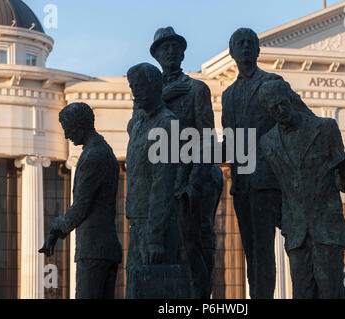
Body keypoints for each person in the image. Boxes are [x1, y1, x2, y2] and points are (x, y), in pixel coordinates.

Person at [221, 28, 314, 299]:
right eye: (240, 43)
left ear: (258, 51)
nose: (246, 47)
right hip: (242, 182)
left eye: (251, 43)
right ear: (232, 51)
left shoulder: (273, 82)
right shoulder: (228, 95)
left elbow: (304, 119)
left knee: (265, 250)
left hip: (268, 179)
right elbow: (230, 141)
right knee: (251, 252)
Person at [259, 80, 345, 299]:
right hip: (296, 234)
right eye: (274, 108)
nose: (280, 110)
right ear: (268, 111)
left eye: (283, 104)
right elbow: (274, 189)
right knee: (302, 293)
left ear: (290, 100)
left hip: (326, 230)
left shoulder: (325, 128)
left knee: (331, 293)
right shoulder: (267, 143)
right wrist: (284, 221)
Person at [150, 26, 223, 298]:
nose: (170, 52)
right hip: (161, 180)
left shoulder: (196, 89)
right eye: (164, 48)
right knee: (163, 249)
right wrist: (163, 97)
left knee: (195, 247)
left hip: (191, 178)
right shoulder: (149, 91)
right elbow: (139, 129)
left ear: (182, 52)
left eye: (175, 47)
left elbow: (206, 139)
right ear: (156, 55)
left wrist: (193, 182)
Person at [39, 102, 122, 299]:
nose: (67, 136)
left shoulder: (92, 156)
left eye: (68, 130)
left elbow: (80, 209)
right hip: (105, 248)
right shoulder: (104, 150)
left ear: (80, 126)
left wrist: (55, 228)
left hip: (94, 250)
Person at [125, 63, 185, 298]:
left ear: (154, 86)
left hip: (155, 227)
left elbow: (162, 182)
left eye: (139, 87)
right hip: (137, 221)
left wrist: (155, 238)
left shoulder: (167, 124)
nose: (135, 93)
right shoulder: (139, 124)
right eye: (132, 87)